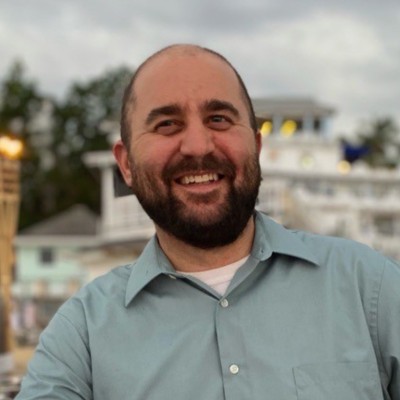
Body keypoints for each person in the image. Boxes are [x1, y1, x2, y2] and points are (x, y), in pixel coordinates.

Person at [16, 44, 399, 400]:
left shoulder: (370, 289)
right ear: (126, 164)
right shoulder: (81, 336)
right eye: (167, 124)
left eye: (218, 119)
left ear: (256, 147)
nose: (198, 146)